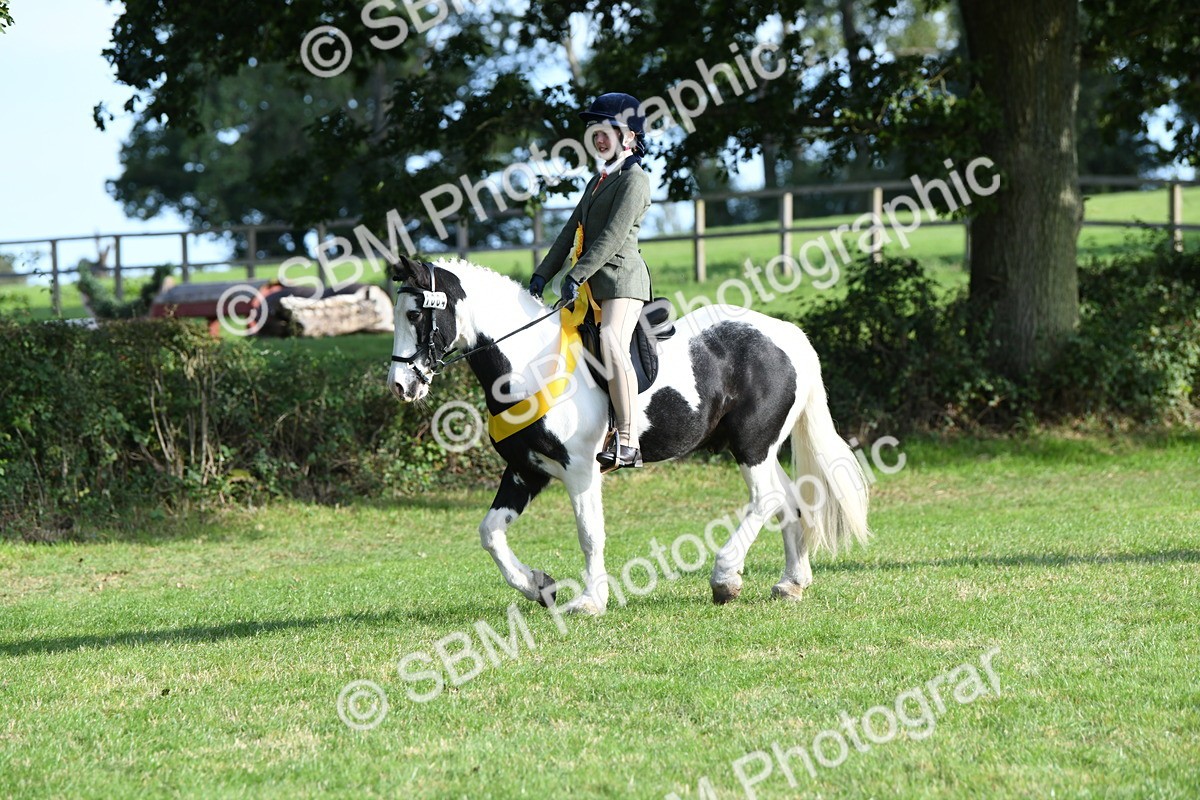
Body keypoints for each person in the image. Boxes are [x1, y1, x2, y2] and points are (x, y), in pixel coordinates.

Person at [529, 92, 652, 472]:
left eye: (607, 131)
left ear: (628, 137)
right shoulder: (597, 182)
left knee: (612, 341)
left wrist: (576, 274)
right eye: (595, 131)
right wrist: (540, 275)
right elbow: (570, 232)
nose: (599, 138)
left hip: (622, 280)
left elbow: (613, 237)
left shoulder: (635, 180)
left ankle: (628, 440)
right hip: (590, 284)